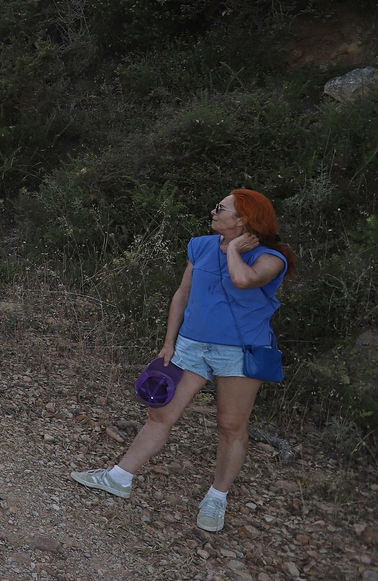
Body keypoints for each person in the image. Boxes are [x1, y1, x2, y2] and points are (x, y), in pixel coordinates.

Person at [70, 189, 296, 532]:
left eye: (221, 208)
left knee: (231, 425)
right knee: (160, 414)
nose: (213, 210)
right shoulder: (201, 245)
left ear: (243, 219)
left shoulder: (270, 258)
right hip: (192, 345)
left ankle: (217, 496)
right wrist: (169, 342)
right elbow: (183, 293)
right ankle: (119, 477)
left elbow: (243, 280)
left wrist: (234, 248)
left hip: (240, 352)